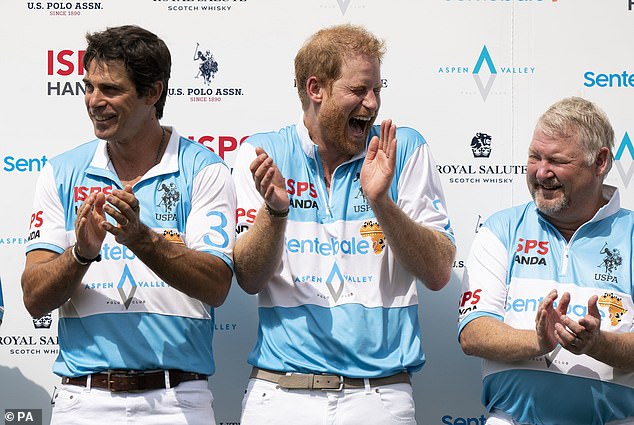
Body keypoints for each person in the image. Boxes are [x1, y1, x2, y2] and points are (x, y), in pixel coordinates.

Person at [233, 24, 456, 425]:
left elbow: (439, 272)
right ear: (315, 89)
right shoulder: (263, 153)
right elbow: (249, 277)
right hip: (282, 395)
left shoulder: (401, 148)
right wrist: (276, 212)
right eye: (358, 91)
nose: (372, 105)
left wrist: (382, 202)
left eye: (377, 90)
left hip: (380, 395)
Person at [21, 25, 235, 425]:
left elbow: (216, 286)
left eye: (110, 89)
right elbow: (34, 298)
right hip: (83, 401)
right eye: (89, 87)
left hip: (178, 401)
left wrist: (141, 239)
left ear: (152, 93)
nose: (94, 101)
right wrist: (81, 254)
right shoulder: (62, 171)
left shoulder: (204, 170)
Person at [458, 96, 634, 425]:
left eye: (556, 160)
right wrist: (539, 340)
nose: (541, 172)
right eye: (534, 157)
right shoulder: (501, 228)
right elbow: (473, 333)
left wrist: (598, 344)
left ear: (600, 162)